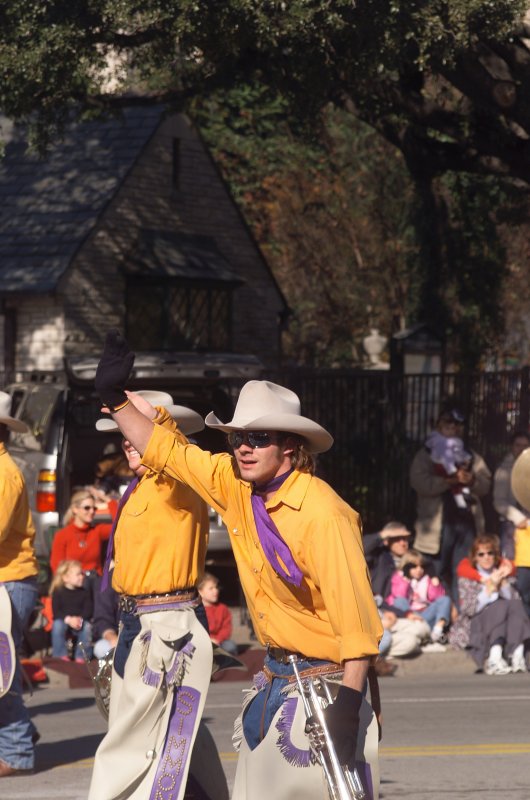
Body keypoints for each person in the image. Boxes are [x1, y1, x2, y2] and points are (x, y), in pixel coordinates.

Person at [94, 331, 383, 800]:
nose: (244, 448)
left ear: (290, 446)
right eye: (238, 438)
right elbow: (170, 453)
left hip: (326, 686)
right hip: (274, 679)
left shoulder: (322, 514)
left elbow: (358, 626)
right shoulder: (237, 487)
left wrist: (348, 707)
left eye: (259, 438)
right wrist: (114, 399)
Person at [88, 389, 224, 800]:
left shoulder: (176, 480)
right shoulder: (139, 488)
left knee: (137, 744)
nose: (128, 439)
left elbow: (173, 450)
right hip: (138, 619)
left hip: (167, 623)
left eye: (136, 431)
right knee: (169, 737)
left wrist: (153, 422)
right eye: (123, 431)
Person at [410, 407, 491, 599]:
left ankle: (460, 617)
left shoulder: (469, 454)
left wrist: (471, 481)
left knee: (463, 571)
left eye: (457, 424)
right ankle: (436, 617)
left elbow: (486, 483)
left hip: (466, 521)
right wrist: (448, 481)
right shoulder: (427, 453)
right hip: (439, 524)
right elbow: (419, 482)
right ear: (439, 425)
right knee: (436, 571)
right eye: (448, 423)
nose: (453, 428)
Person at [0, 391, 39, 777]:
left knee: (2, 674)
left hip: (8, 584)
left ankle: (16, 753)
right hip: (9, 582)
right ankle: (20, 736)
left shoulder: (3, 475)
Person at [448, 534, 530, 674]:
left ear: (495, 555)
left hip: (506, 623)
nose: (486, 557)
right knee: (499, 606)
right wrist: (488, 592)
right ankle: (495, 656)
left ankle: (517, 654)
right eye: (481, 554)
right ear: (474, 557)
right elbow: (468, 610)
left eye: (490, 553)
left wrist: (503, 585)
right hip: (475, 624)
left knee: (514, 605)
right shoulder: (468, 577)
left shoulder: (503, 573)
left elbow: (515, 603)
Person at [364, 522, 431, 658]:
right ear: (387, 541)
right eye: (398, 539)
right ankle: (373, 656)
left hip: (397, 612)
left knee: (421, 629)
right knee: (411, 640)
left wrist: (406, 614)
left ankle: (380, 652)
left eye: (405, 539)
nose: (403, 543)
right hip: (378, 614)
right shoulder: (379, 557)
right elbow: (357, 548)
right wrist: (382, 535)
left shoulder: (413, 560)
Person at [49, 489, 112, 587]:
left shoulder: (97, 531)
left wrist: (107, 500)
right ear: (75, 509)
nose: (92, 511)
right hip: (74, 586)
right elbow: (57, 567)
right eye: (87, 508)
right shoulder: (62, 535)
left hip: (95, 585)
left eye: (94, 508)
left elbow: (120, 525)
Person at [386, 549, 452, 643]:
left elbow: (436, 598)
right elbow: (399, 596)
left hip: (424, 616)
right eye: (414, 566)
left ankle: (437, 631)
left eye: (421, 566)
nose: (419, 570)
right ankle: (421, 632)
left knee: (445, 600)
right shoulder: (399, 577)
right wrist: (406, 580)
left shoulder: (426, 579)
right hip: (408, 615)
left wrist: (435, 584)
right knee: (399, 601)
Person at [493, 429, 530, 559]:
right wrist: (519, 518)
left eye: (525, 446)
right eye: (517, 445)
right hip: (512, 524)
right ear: (511, 447)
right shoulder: (504, 469)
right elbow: (499, 502)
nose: (521, 449)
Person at [50, 560, 93, 662]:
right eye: (78, 574)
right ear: (65, 578)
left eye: (82, 574)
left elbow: (88, 610)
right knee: (57, 625)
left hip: (80, 621)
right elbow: (56, 612)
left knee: (87, 627)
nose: (82, 577)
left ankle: (82, 656)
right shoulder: (58, 591)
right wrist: (69, 620)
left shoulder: (84, 592)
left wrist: (79, 619)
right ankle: (60, 655)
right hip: (65, 620)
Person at [198, 572, 238, 655]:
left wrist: (217, 640)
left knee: (231, 647)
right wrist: (208, 640)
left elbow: (226, 628)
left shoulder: (222, 608)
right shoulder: (197, 610)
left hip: (219, 642)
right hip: (202, 642)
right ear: (200, 592)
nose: (216, 590)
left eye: (216, 587)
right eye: (211, 588)